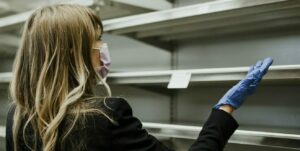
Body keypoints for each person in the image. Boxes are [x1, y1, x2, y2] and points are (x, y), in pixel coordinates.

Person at [5, 4, 273, 151]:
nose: (103, 49)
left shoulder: (18, 113)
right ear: (73, 52)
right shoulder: (107, 115)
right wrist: (224, 109)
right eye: (97, 40)